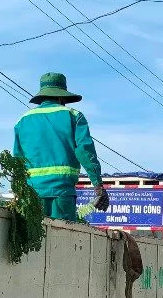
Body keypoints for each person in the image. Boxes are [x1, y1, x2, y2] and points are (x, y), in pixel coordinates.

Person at [13, 72, 109, 221]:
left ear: (42, 96)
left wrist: (18, 193)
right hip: (62, 193)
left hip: (30, 194)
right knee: (62, 241)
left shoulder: (22, 121)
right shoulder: (74, 116)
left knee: (32, 241)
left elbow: (17, 160)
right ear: (61, 97)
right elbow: (85, 151)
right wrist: (98, 186)